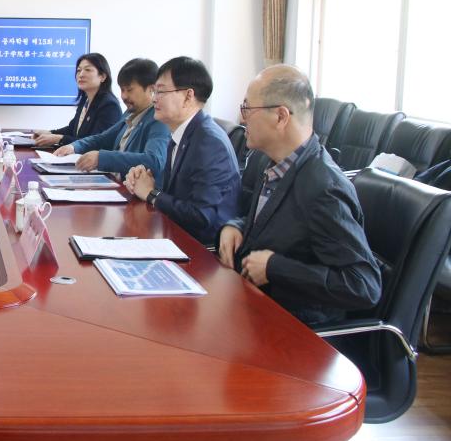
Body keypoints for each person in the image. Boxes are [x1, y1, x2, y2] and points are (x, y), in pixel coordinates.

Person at [218, 65, 381, 326]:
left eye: (248, 108)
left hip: (295, 328)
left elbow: (362, 284)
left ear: (281, 116)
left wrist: (275, 268)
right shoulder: (270, 162)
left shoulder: (324, 188)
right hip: (255, 306)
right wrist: (235, 226)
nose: (242, 118)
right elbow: (271, 220)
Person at [124, 56, 240, 248]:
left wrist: (151, 194)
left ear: (188, 96)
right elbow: (178, 195)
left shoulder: (209, 142)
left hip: (202, 250)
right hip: (175, 237)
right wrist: (143, 182)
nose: (154, 99)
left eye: (161, 91)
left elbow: (202, 216)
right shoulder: (183, 133)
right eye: (154, 91)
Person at [53, 58, 170, 176]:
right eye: (122, 90)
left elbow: (154, 161)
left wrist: (101, 158)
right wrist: (74, 147)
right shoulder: (130, 112)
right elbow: (103, 138)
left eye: (129, 90)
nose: (124, 96)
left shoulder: (159, 120)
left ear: (151, 89)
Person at [33, 53, 122, 147]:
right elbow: (72, 129)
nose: (81, 74)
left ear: (102, 76)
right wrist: (49, 133)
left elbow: (97, 143)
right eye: (79, 70)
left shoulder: (109, 105)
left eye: (87, 70)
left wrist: (59, 139)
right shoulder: (85, 100)